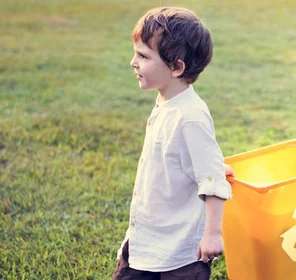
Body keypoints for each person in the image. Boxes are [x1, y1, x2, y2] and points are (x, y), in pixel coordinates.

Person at [112, 7, 234, 280]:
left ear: (176, 67)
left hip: (180, 256)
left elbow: (214, 181)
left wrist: (213, 234)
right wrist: (201, 167)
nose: (133, 62)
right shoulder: (167, 102)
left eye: (143, 56)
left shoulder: (190, 116)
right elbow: (182, 157)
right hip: (148, 237)